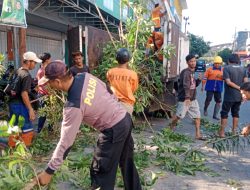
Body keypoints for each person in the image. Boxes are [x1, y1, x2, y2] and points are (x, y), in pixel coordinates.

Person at [35, 60, 141, 190]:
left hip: (114, 129)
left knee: (101, 171)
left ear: (57, 81)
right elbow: (109, 91)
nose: (49, 86)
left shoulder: (73, 105)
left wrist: (49, 171)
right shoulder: (84, 76)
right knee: (127, 162)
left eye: (49, 83)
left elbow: (66, 142)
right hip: (125, 118)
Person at [8, 51, 42, 147]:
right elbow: (24, 93)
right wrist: (30, 109)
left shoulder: (17, 71)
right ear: (28, 62)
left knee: (14, 127)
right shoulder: (26, 75)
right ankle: (25, 152)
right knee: (26, 128)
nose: (35, 65)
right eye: (34, 62)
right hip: (20, 105)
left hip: (12, 103)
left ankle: (12, 150)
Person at [169, 54, 204, 140]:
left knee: (197, 116)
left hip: (193, 99)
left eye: (194, 61)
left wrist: (199, 80)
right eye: (191, 61)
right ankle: (169, 130)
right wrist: (187, 98)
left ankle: (198, 134)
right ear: (187, 62)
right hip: (185, 99)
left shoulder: (193, 72)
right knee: (178, 116)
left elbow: (193, 85)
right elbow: (186, 85)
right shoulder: (186, 72)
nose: (193, 63)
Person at [218, 54, 248, 138]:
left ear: (229, 61)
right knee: (235, 113)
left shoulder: (227, 68)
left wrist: (239, 87)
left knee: (224, 113)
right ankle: (234, 132)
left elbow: (228, 82)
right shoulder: (243, 69)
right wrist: (243, 92)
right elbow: (246, 83)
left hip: (229, 96)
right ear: (237, 60)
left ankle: (222, 133)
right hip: (239, 96)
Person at [106, 48, 139, 115]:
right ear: (128, 60)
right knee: (125, 124)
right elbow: (134, 88)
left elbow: (109, 84)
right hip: (127, 105)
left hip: (113, 103)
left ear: (117, 59)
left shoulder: (110, 72)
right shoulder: (133, 74)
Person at [36, 53, 52, 133]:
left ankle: (49, 130)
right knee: (44, 113)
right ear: (47, 60)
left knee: (49, 113)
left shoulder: (40, 69)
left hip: (45, 94)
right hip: (44, 94)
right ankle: (39, 130)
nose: (51, 60)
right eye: (50, 59)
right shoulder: (44, 70)